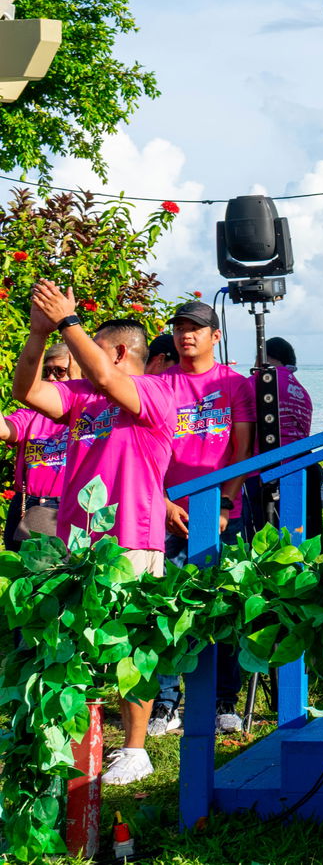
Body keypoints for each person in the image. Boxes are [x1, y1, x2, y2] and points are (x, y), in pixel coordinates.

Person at [13, 286, 178, 786]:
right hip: (76, 539)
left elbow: (106, 376)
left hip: (131, 537)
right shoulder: (82, 398)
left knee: (131, 645)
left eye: (90, 347)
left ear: (121, 352)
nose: (77, 359)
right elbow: (26, 392)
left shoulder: (154, 392)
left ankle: (135, 750)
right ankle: (69, 740)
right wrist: (38, 334)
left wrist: (69, 321)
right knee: (71, 642)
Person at [152, 301, 257, 736]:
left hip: (223, 513)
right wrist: (162, 502)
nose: (186, 335)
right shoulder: (159, 383)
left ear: (216, 336)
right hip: (168, 513)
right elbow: (148, 450)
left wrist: (226, 505)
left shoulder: (234, 384)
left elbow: (243, 450)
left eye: (195, 328)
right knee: (165, 606)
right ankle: (166, 700)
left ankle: (223, 700)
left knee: (225, 605)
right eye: (179, 327)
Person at [2, 343, 74, 549]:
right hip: (27, 504)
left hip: (65, 505)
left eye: (60, 371)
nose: (51, 378)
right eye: (47, 371)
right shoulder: (30, 416)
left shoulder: (88, 416)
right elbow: (5, 430)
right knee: (16, 565)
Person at [264, 336, 320, 540]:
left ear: (264, 357)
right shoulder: (301, 391)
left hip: (271, 469)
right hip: (302, 467)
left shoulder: (262, 382)